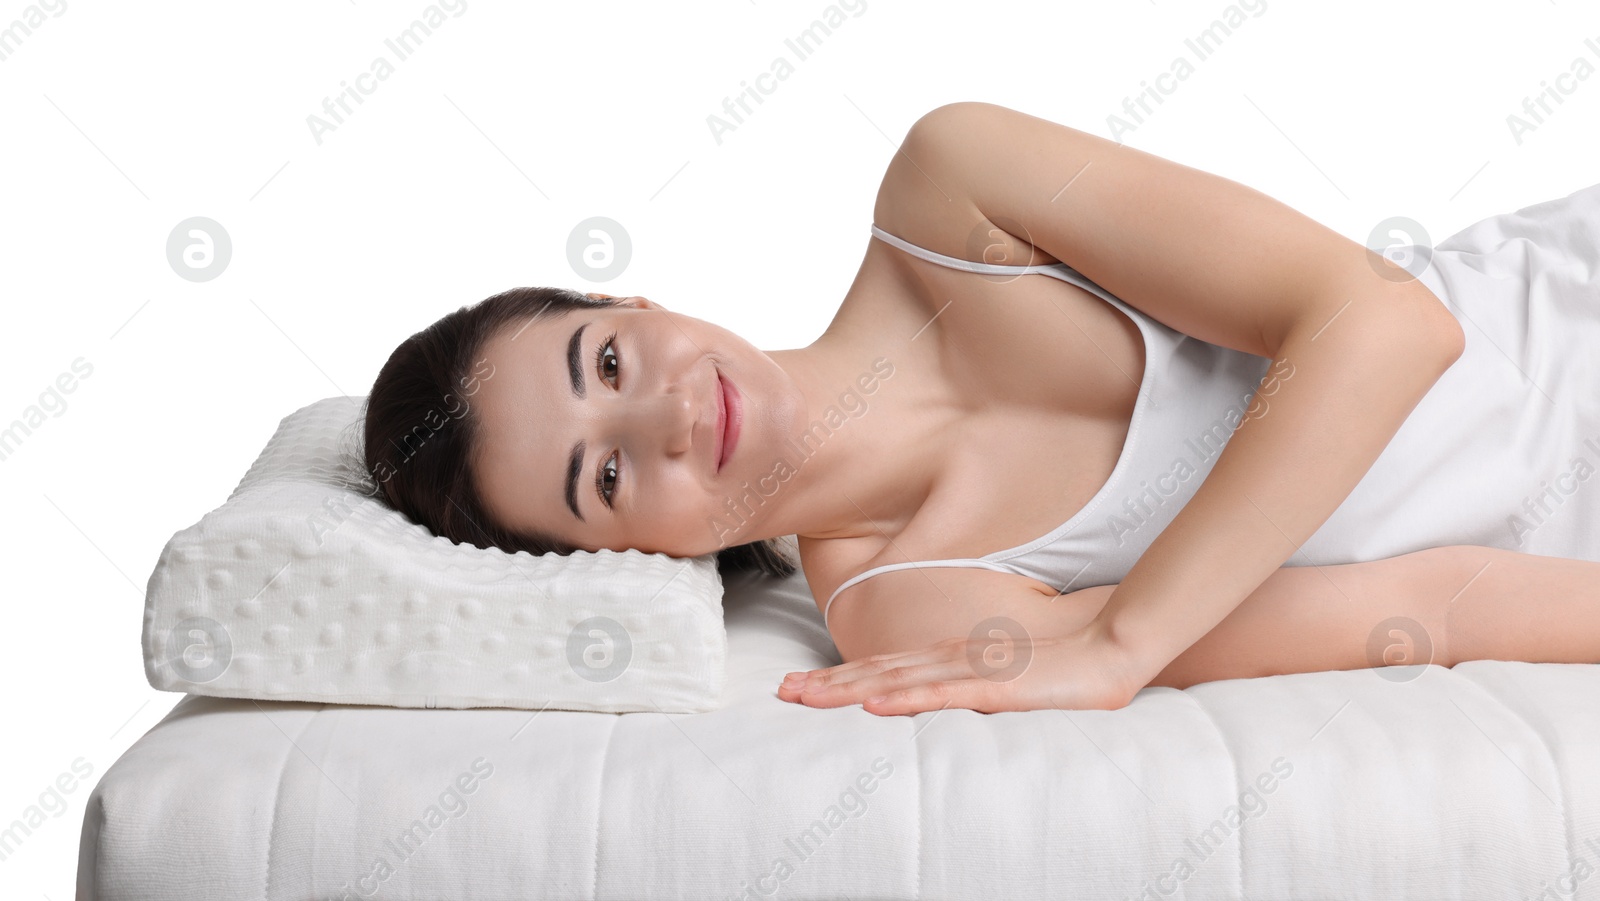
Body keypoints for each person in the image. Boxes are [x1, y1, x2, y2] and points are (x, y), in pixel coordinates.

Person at [363, 102, 1600, 717]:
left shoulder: (955, 196)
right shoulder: (910, 603)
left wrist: (1123, 646)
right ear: (631, 565)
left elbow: (1385, 322)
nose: (671, 421)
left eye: (613, 364)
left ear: (635, 301)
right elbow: (1425, 604)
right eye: (610, 480)